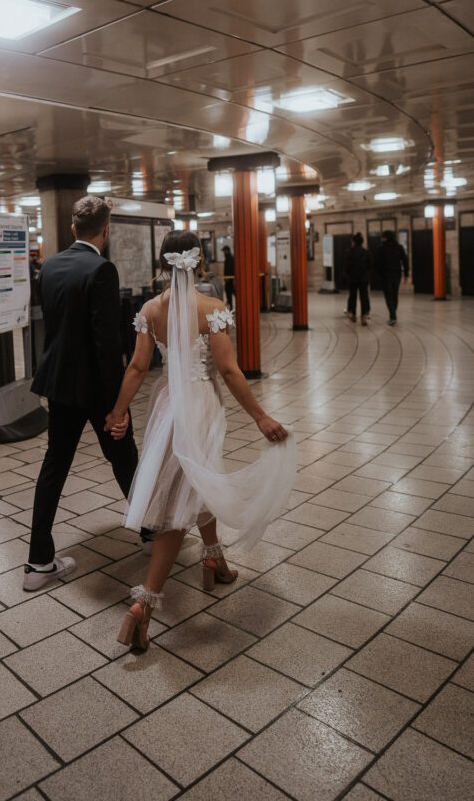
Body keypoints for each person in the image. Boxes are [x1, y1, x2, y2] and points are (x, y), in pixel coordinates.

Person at [104, 231, 296, 652]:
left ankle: (213, 559)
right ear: (200, 262)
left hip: (167, 405)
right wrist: (261, 417)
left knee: (197, 478)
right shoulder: (212, 309)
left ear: (162, 263)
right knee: (179, 504)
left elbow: (137, 367)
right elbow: (228, 370)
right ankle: (144, 604)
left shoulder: (150, 309)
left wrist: (118, 412)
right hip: (202, 405)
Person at [23, 195, 144, 590]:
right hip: (95, 387)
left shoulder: (49, 266)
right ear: (106, 231)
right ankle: (151, 530)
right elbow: (107, 344)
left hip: (58, 382)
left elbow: (55, 324)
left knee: (54, 465)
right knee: (123, 456)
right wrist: (118, 405)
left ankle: (38, 562)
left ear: (73, 228)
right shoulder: (102, 270)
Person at [376, 229, 409, 326]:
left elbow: (377, 263)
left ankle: (393, 316)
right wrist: (406, 274)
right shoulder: (399, 247)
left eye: (383, 237)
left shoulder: (381, 248)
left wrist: (378, 274)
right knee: (394, 295)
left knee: (388, 296)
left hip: (386, 275)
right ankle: (393, 314)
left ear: (385, 238)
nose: (382, 239)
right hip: (397, 275)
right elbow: (405, 261)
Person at [344, 232, 371, 326]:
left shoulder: (349, 252)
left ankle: (353, 315)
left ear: (353, 242)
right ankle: (364, 317)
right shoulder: (366, 252)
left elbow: (347, 266)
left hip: (352, 278)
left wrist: (347, 275)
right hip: (363, 278)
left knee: (352, 296)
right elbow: (369, 265)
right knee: (364, 297)